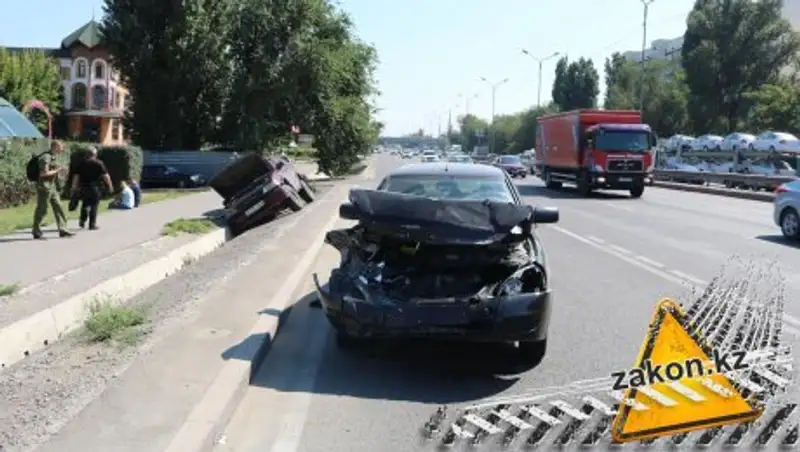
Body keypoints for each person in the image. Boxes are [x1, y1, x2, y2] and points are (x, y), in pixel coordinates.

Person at [32, 140, 73, 240]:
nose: (62, 149)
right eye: (60, 147)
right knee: (42, 209)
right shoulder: (46, 157)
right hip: (44, 187)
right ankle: (36, 231)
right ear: (55, 147)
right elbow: (43, 173)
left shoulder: (53, 157)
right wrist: (58, 170)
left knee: (58, 206)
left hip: (52, 187)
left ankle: (63, 229)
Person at [71, 146, 113, 230]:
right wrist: (110, 186)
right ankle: (92, 225)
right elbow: (106, 176)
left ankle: (82, 220)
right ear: (95, 154)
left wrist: (74, 187)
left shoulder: (81, 163)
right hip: (95, 187)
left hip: (83, 187)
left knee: (85, 203)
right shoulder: (99, 163)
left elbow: (76, 177)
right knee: (94, 205)